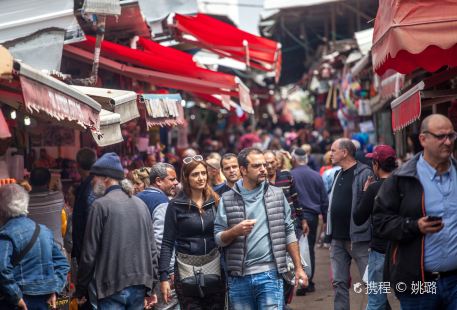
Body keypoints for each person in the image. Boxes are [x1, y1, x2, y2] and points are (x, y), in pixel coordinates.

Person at [373, 114, 457, 309]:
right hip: (418, 285)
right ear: (423, 139)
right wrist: (414, 226)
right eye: (440, 136)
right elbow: (380, 222)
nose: (447, 141)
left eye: (451, 136)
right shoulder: (401, 178)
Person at [214, 147, 308, 309]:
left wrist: (299, 268)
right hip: (238, 278)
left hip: (270, 275)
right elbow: (218, 238)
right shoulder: (227, 199)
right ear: (243, 170)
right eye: (257, 166)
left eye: (264, 165)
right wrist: (234, 232)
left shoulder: (277, 195)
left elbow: (289, 233)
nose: (264, 169)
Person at [75, 153, 159, 309]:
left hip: (111, 286)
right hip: (139, 284)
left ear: (105, 178)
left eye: (95, 177)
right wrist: (153, 285)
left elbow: (89, 254)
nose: (92, 181)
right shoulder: (140, 204)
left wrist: (81, 289)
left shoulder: (100, 206)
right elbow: (152, 249)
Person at [159, 155, 225, 309]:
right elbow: (167, 243)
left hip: (214, 268)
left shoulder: (215, 201)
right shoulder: (175, 205)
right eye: (195, 174)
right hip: (185, 270)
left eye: (203, 173)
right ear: (186, 178)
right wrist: (164, 277)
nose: (201, 178)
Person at [0, 184, 69, 309]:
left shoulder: (6, 234)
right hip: (44, 300)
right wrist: (55, 290)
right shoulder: (44, 231)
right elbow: (63, 263)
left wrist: (16, 297)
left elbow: (2, 268)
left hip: (17, 301)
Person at [326, 138, 373, 310]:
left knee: (370, 282)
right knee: (339, 283)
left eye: (333, 150)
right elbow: (332, 205)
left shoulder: (364, 173)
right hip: (337, 239)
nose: (330, 154)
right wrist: (329, 235)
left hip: (359, 238)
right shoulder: (338, 173)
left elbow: (370, 206)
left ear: (344, 152)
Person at [353, 145, 397, 310]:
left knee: (376, 300)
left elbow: (358, 218)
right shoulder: (405, 185)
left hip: (380, 251)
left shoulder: (374, 188)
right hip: (403, 250)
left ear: (377, 165)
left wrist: (365, 192)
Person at [137, 163, 179, 310]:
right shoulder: (162, 202)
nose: (176, 182)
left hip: (141, 271)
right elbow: (162, 240)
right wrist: (169, 272)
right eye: (172, 179)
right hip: (158, 273)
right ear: (159, 181)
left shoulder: (137, 197)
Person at [290, 148, 329, 294]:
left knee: (296, 249)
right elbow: (324, 200)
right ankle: (308, 281)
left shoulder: (290, 175)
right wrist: (325, 220)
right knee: (309, 248)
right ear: (306, 159)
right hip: (312, 217)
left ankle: (302, 282)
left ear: (294, 159)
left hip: (295, 216)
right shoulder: (316, 176)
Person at [28, 167, 65, 250]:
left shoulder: (23, 201)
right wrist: (59, 189)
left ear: (29, 181)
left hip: (31, 250)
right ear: (48, 182)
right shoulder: (58, 197)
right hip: (55, 248)